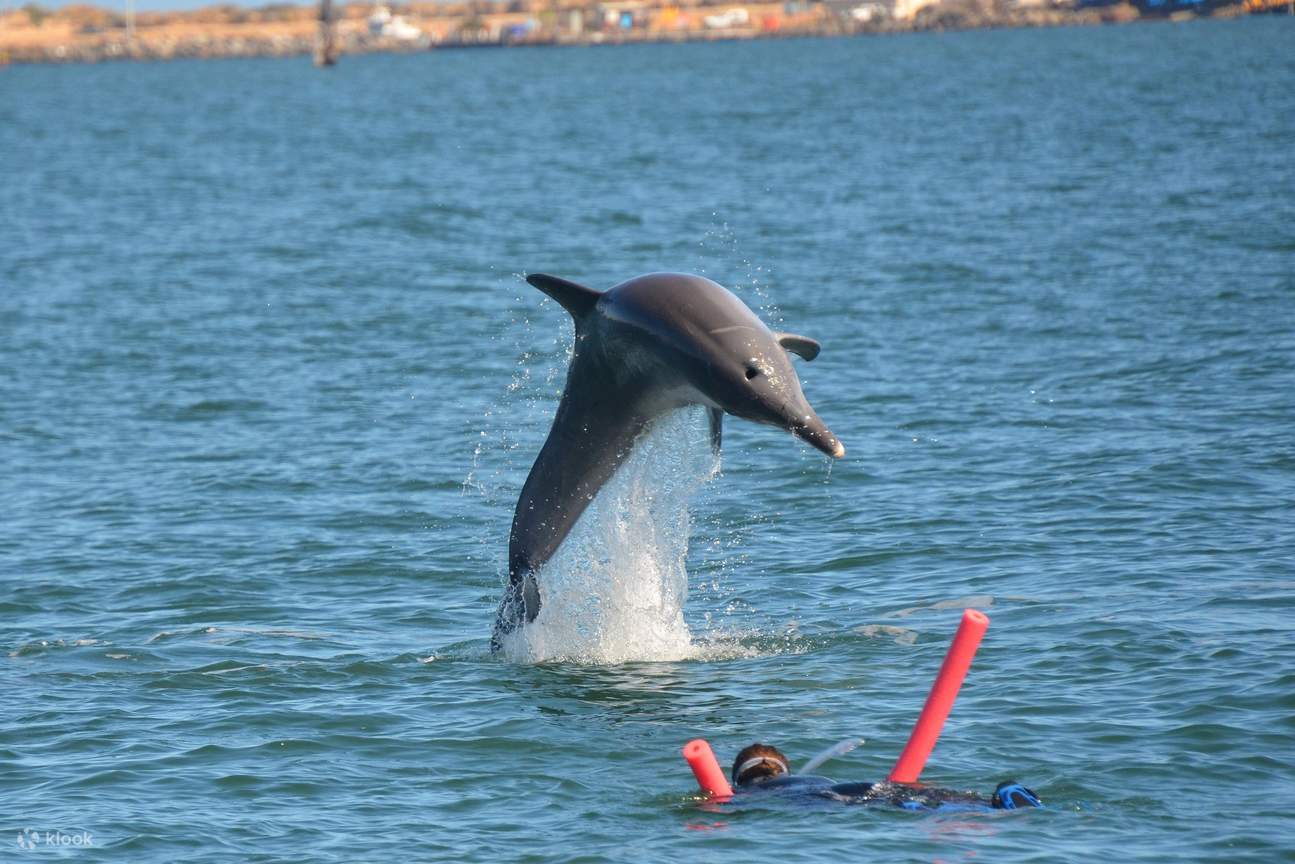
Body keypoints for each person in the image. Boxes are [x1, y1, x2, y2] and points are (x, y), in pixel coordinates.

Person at [729, 743, 1042, 811]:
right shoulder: (804, 778)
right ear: (785, 769)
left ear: (739, 779)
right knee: (897, 793)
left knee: (900, 804)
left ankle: (924, 808)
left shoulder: (747, 794)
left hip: (822, 800)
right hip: (851, 785)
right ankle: (992, 800)